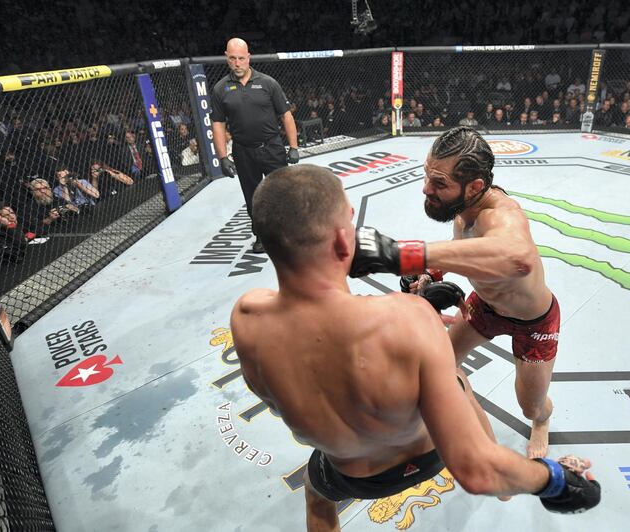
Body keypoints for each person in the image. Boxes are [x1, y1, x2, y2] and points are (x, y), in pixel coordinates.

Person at [231, 164, 599, 531]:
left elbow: (316, 352)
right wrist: (556, 480)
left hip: (349, 474)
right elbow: (477, 470)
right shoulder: (409, 319)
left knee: (317, 492)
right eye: (350, 218)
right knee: (455, 378)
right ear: (345, 241)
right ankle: (508, 490)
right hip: (430, 454)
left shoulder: (246, 320)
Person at [349, 127, 561, 459]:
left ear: (475, 186)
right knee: (439, 364)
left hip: (533, 322)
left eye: (439, 184)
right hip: (484, 307)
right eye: (427, 176)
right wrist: (431, 271)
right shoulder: (465, 208)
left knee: (530, 405)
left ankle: (543, 421)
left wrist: (405, 254)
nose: (426, 189)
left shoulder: (502, 215)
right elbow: (463, 247)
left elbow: (516, 257)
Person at [210, 37, 300, 254]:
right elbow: (218, 124)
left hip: (272, 147)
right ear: (226, 58)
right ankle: (261, 236)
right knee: (252, 197)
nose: (237, 63)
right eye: (233, 58)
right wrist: (222, 156)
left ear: (248, 57)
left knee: (281, 193)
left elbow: (286, 116)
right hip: (243, 151)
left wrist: (294, 147)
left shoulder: (268, 83)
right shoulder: (220, 89)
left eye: (241, 58)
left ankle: (286, 234)